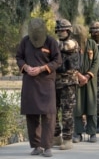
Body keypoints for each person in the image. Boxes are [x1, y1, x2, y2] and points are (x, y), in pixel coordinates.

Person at [16, 18, 62, 157]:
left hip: (46, 83)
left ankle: (47, 146)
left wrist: (42, 68)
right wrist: (26, 67)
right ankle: (36, 146)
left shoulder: (51, 42)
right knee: (31, 115)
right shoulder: (25, 42)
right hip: (30, 83)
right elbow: (19, 57)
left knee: (48, 115)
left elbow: (57, 60)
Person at [53, 19, 80, 150]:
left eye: (62, 30)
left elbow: (62, 47)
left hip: (68, 84)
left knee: (67, 112)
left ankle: (68, 139)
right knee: (52, 111)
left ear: (68, 31)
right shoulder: (56, 43)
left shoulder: (72, 43)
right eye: (58, 30)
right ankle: (56, 136)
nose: (59, 32)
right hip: (54, 83)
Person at [71, 24, 99, 143]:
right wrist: (78, 75)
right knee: (77, 107)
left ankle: (92, 132)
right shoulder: (71, 46)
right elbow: (68, 63)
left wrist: (87, 76)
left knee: (91, 106)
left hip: (90, 81)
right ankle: (78, 133)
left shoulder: (92, 44)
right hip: (76, 80)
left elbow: (97, 62)